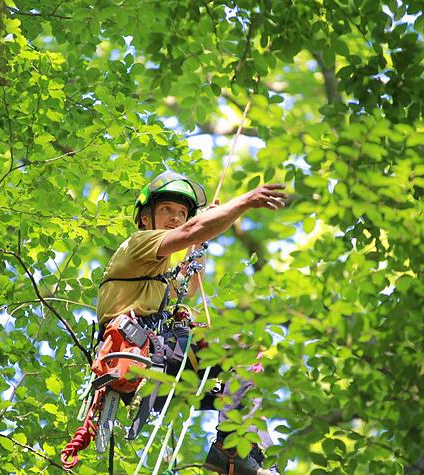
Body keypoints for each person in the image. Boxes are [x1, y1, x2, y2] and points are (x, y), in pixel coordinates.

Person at [94, 171, 286, 475]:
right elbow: (191, 231)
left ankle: (244, 454)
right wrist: (244, 202)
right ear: (145, 218)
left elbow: (189, 284)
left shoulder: (154, 275)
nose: (175, 218)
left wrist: (201, 242)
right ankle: (231, 448)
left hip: (159, 358)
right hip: (139, 352)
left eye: (181, 213)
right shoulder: (137, 245)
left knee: (244, 367)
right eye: (167, 210)